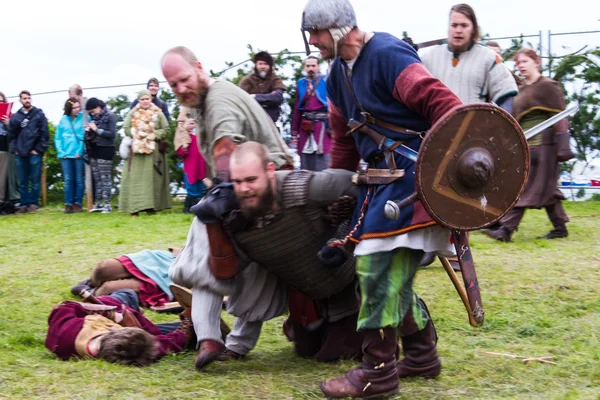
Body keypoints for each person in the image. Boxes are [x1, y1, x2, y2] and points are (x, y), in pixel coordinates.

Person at [301, 0, 463, 397]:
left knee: (376, 267)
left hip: (415, 180)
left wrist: (456, 174)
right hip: (378, 183)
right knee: (384, 271)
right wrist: (340, 187)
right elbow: (342, 139)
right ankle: (422, 354)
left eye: (317, 32)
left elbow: (445, 107)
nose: (312, 41)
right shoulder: (337, 74)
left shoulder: (388, 54)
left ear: (340, 29)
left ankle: (377, 371)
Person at [174, 142, 364, 369]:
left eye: (251, 180)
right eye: (237, 182)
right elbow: (224, 272)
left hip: (349, 282)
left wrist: (346, 241)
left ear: (270, 170)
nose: (244, 189)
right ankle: (214, 340)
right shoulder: (234, 214)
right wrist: (213, 225)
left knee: (342, 350)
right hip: (307, 292)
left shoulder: (310, 187)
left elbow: (370, 190)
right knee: (307, 350)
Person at [485, 48, 574, 242]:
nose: (521, 66)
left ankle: (506, 229)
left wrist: (563, 145)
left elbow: (560, 117)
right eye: (518, 63)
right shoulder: (522, 88)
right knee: (547, 189)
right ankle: (560, 227)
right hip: (526, 144)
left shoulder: (547, 86)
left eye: (525, 61)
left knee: (525, 187)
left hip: (545, 147)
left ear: (536, 62)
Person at [44, 289, 193, 365]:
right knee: (182, 332)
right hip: (131, 317)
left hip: (111, 304)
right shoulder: (139, 350)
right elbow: (172, 343)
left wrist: (111, 314)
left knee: (127, 293)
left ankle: (92, 288)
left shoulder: (64, 333)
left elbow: (65, 306)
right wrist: (188, 321)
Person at [420, 4, 518, 113]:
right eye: (454, 25)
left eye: (464, 25)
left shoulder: (489, 58)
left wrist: (499, 126)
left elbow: (505, 92)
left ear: (473, 29)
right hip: (436, 127)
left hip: (474, 127)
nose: (458, 30)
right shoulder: (429, 58)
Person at [119, 90, 171, 215]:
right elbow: (126, 128)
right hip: (136, 152)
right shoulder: (132, 113)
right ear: (138, 100)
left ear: (151, 99)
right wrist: (137, 135)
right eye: (142, 99)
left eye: (147, 99)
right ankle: (134, 207)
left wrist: (153, 135)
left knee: (151, 180)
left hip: (152, 151)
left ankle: (151, 207)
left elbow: (166, 128)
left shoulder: (158, 113)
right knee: (135, 180)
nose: (145, 101)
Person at [71, 248, 180, 308]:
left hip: (171, 278)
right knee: (102, 269)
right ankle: (92, 282)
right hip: (166, 259)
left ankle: (90, 292)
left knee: (108, 289)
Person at [9, 90, 49, 214]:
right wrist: (15, 149)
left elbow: (44, 133)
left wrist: (38, 149)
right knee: (22, 181)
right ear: (20, 100)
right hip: (20, 153)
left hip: (34, 153)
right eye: (24, 98)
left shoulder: (38, 114)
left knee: (35, 180)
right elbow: (11, 135)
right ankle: (24, 203)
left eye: (28, 98)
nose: (27, 100)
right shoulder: (16, 117)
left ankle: (33, 203)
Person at [291, 56, 331, 171]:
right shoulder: (301, 83)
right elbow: (297, 109)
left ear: (318, 67)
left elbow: (334, 106)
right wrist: (294, 131)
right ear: (304, 67)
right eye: (308, 66)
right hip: (305, 128)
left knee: (324, 162)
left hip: (322, 126)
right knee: (305, 164)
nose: (311, 68)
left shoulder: (326, 81)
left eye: (313, 66)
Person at [85, 98, 117, 213]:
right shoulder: (93, 118)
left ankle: (107, 204)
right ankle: (98, 204)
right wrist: (88, 132)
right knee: (97, 178)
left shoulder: (110, 116)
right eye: (91, 112)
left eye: (93, 111)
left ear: (99, 106)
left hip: (106, 149)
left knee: (105, 178)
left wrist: (97, 130)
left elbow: (112, 134)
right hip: (94, 148)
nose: (92, 114)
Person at [55, 98, 85, 213]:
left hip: (78, 154)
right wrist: (61, 152)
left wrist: (80, 151)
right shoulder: (63, 120)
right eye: (74, 108)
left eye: (78, 107)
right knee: (68, 180)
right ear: (69, 109)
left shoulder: (83, 118)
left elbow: (84, 136)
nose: (77, 110)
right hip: (66, 155)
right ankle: (68, 203)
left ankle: (78, 203)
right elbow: (58, 137)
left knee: (79, 180)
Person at [238, 51, 287, 123]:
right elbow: (240, 99)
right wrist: (269, 97)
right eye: (260, 64)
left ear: (270, 66)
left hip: (270, 122)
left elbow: (277, 97)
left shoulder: (275, 80)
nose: (263, 67)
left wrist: (254, 97)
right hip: (251, 121)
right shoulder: (247, 80)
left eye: (266, 64)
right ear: (256, 65)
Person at [175, 116, 207, 213]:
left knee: (202, 186)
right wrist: (184, 148)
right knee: (191, 187)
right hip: (190, 166)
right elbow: (179, 152)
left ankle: (200, 207)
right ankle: (188, 208)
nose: (191, 126)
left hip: (201, 166)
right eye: (189, 123)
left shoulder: (199, 136)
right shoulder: (183, 137)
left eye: (193, 123)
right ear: (183, 125)